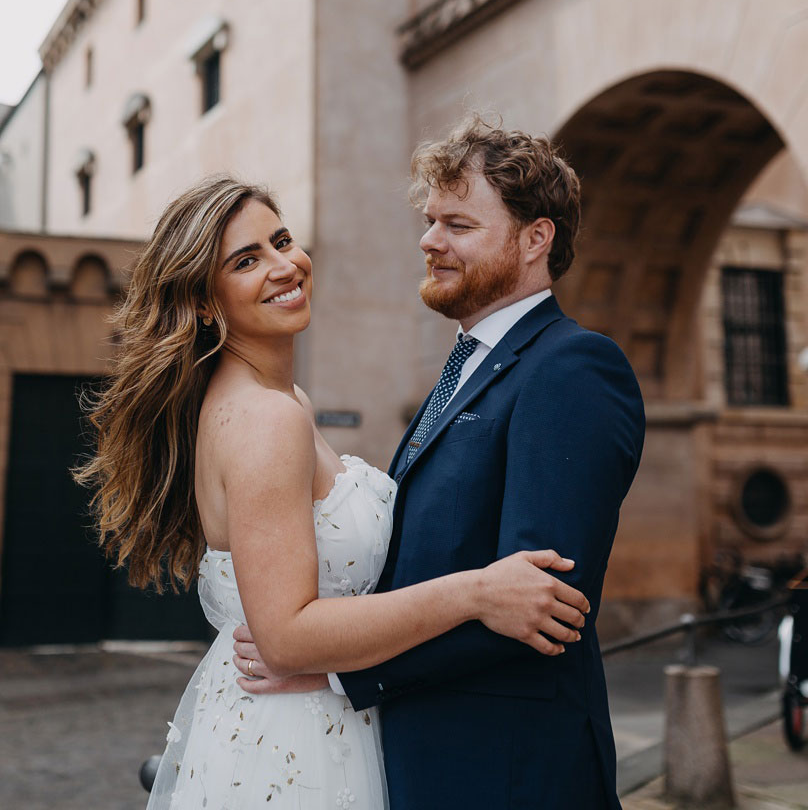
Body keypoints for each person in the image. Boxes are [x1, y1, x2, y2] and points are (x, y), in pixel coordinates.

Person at [74, 173, 592, 809]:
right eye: (245, 260)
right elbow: (286, 638)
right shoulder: (266, 420)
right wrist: (477, 591)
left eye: (282, 240)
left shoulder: (286, 401)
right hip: (292, 748)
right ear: (207, 304)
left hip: (325, 718)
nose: (284, 266)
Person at [236, 117, 646, 808]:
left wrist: (336, 673)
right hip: (426, 761)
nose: (429, 241)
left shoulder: (572, 368)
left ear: (534, 239)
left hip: (510, 773)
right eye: (430, 221)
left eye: (457, 224)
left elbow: (542, 609)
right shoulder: (465, 369)